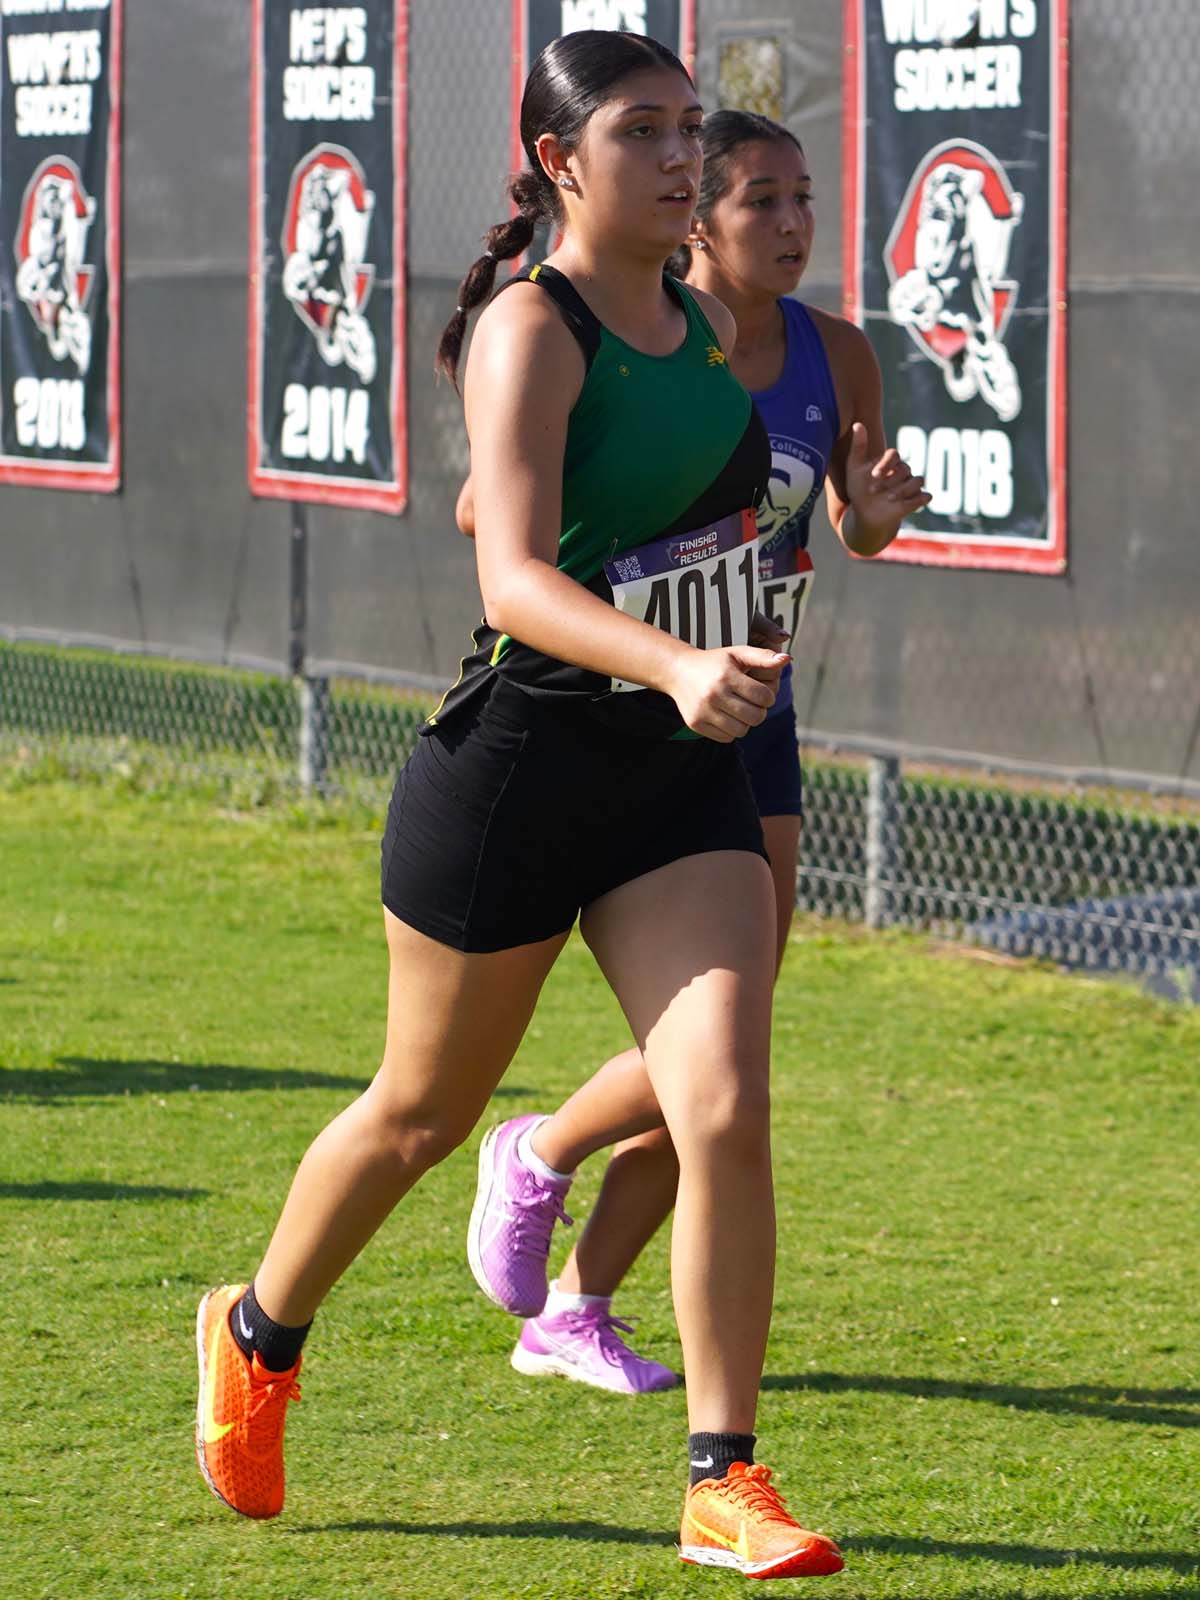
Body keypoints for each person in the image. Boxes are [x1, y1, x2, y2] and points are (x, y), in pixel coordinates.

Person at [195, 34, 844, 1581]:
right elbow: (512, 575)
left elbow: (729, 527)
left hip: (671, 789)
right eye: (644, 132)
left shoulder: (701, 322)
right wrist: (675, 667)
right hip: (521, 768)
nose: (682, 158)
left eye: (693, 130)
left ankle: (722, 1478)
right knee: (419, 1113)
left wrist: (852, 519)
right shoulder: (530, 328)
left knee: (726, 1104)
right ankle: (257, 1333)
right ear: (563, 161)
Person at [465, 110, 928, 1393]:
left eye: (805, 200)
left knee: (730, 1041)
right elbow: (490, 513)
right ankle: (541, 1160)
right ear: (699, 220)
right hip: (611, 710)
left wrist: (871, 515)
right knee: (709, 1050)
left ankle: (570, 1286)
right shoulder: (632, 339)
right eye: (760, 202)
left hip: (747, 710)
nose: (790, 226)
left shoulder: (838, 351)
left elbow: (842, 523)